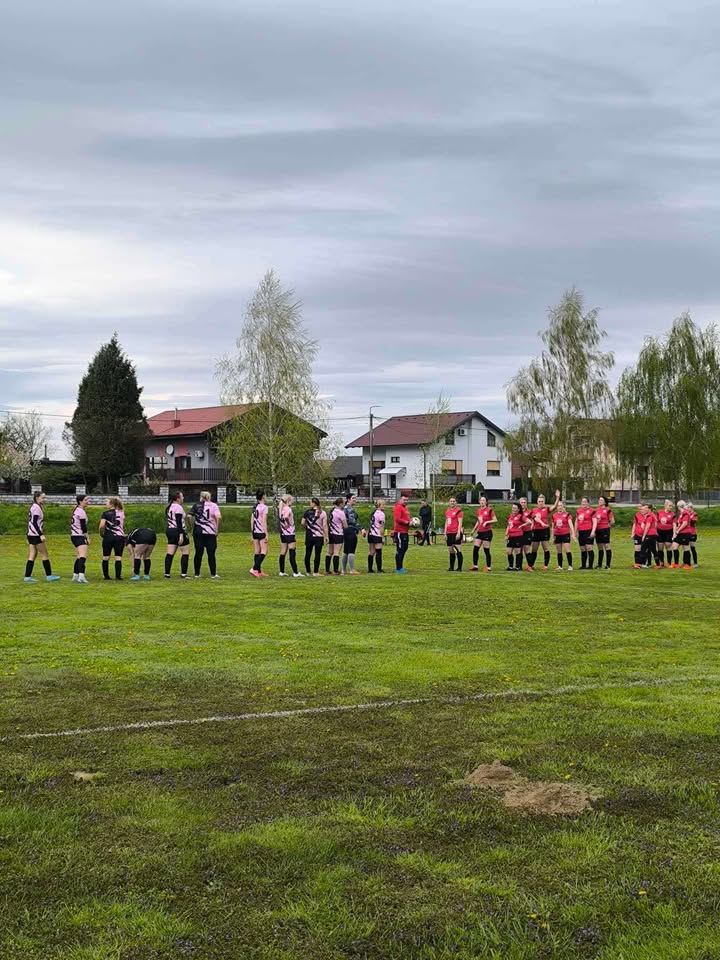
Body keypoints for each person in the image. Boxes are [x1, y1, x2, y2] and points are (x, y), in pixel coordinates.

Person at [23, 491, 61, 583]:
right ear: (37, 498)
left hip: (30, 534)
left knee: (32, 555)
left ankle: (27, 577)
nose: (44, 499)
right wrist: (41, 534)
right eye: (43, 498)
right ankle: (49, 576)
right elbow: (35, 522)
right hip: (35, 535)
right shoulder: (36, 508)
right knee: (44, 554)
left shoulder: (34, 506)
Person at [528, 490, 560, 571]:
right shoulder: (534, 510)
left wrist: (557, 497)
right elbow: (532, 519)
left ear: (544, 502)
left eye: (542, 501)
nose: (540, 503)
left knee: (546, 548)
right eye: (539, 501)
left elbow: (554, 506)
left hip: (544, 530)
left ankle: (545, 565)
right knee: (534, 549)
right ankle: (531, 565)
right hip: (536, 531)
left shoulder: (546, 509)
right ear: (537, 502)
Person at [193, 490, 222, 579]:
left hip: (198, 531)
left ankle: (197, 573)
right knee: (211, 553)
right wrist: (216, 528)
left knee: (198, 553)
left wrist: (192, 527)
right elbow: (218, 517)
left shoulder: (196, 505)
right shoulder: (214, 505)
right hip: (210, 532)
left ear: (201, 497)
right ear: (209, 497)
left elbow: (189, 516)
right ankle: (213, 573)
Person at [99, 496, 126, 581]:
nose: (105, 504)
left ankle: (106, 576)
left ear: (111, 504)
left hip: (108, 536)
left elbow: (102, 525)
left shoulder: (105, 513)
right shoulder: (121, 513)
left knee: (106, 557)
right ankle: (118, 576)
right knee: (118, 557)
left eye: (107, 502)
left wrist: (101, 533)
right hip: (119, 536)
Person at [165, 490, 190, 579]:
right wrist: (181, 534)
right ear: (178, 498)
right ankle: (183, 573)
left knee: (170, 552)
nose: (183, 498)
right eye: (182, 496)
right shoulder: (178, 507)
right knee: (185, 552)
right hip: (178, 530)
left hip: (170, 530)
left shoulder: (169, 507)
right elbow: (179, 521)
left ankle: (167, 573)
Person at [470, 495, 497, 571]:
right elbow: (478, 521)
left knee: (486, 550)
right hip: (480, 532)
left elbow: (495, 520)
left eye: (483, 500)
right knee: (475, 549)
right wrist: (473, 530)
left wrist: (487, 522)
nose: (482, 501)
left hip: (487, 532)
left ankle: (488, 567)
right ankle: (475, 566)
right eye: (481, 500)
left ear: (486, 502)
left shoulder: (489, 510)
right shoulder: (478, 510)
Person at [302, 498, 327, 576]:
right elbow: (324, 525)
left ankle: (308, 571)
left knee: (308, 553)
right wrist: (326, 536)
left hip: (309, 535)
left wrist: (308, 527)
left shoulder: (307, 512)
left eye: (310, 502)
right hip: (318, 536)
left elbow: (302, 522)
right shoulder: (322, 512)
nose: (309, 504)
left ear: (313, 503)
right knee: (317, 554)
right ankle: (316, 572)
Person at [278, 494, 302, 577]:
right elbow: (285, 517)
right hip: (290, 533)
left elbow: (281, 517)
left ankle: (281, 571)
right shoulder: (288, 509)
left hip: (283, 533)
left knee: (283, 551)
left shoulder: (281, 509)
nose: (293, 502)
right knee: (292, 551)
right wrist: (288, 524)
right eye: (292, 500)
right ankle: (295, 572)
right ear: (288, 501)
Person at [70, 493, 90, 583]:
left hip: (74, 535)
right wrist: (87, 537)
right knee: (83, 556)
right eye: (85, 500)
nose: (87, 502)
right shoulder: (81, 511)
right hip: (79, 535)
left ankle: (75, 575)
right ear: (80, 501)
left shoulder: (76, 510)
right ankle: (81, 576)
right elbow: (83, 526)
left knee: (79, 556)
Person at [342, 493, 363, 575]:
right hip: (351, 530)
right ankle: (352, 569)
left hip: (345, 530)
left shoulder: (344, 508)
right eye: (353, 498)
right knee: (351, 550)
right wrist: (361, 528)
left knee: (346, 550)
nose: (355, 499)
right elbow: (352, 521)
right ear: (348, 499)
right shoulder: (349, 508)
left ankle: (343, 570)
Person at [250, 489, 269, 578]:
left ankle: (258, 571)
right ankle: (254, 568)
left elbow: (252, 520)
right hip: (261, 531)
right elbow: (264, 520)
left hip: (255, 531)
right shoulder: (264, 507)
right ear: (263, 496)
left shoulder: (255, 506)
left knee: (257, 551)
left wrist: (252, 531)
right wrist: (266, 533)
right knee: (264, 551)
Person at [592, 495, 615, 569]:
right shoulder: (596, 510)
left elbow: (612, 521)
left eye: (601, 500)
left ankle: (608, 565)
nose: (599, 501)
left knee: (607, 546)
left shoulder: (608, 510)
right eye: (599, 500)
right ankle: (599, 564)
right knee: (600, 547)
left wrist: (608, 525)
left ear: (605, 502)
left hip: (605, 529)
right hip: (598, 530)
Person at [326, 497, 347, 575]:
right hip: (338, 533)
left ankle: (327, 569)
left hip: (330, 532)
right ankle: (335, 570)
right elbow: (345, 524)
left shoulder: (332, 511)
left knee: (329, 552)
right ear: (341, 504)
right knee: (336, 552)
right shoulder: (341, 512)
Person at [552, 500, 575, 570]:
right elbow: (553, 526)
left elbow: (570, 524)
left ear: (563, 507)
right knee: (559, 551)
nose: (560, 507)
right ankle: (560, 566)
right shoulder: (554, 515)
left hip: (565, 534)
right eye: (558, 506)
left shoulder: (567, 514)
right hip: (557, 534)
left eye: (561, 506)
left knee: (567, 550)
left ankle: (570, 566)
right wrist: (553, 535)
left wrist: (573, 533)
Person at [575, 496, 596, 569]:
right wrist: (575, 531)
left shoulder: (592, 511)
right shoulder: (578, 511)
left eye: (585, 502)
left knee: (589, 548)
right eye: (582, 502)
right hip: (581, 531)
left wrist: (593, 531)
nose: (584, 503)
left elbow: (594, 522)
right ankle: (583, 565)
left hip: (588, 531)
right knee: (582, 548)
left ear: (588, 503)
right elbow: (576, 522)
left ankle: (590, 566)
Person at [444, 496, 464, 571]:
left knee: (458, 550)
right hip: (449, 533)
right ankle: (451, 567)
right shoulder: (447, 511)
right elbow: (446, 522)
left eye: (454, 501)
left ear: (456, 502)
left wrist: (458, 533)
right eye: (451, 501)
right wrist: (445, 533)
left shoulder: (459, 511)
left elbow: (460, 523)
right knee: (450, 550)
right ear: (449, 502)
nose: (452, 502)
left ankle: (459, 567)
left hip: (455, 532)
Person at [392, 494, 411, 573]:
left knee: (404, 548)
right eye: (404, 500)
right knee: (400, 549)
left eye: (407, 500)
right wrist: (407, 522)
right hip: (400, 532)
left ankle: (400, 567)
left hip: (405, 531)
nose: (406, 501)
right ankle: (398, 568)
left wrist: (411, 522)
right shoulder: (398, 507)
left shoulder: (405, 508)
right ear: (400, 499)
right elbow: (397, 519)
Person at [505, 502, 526, 570]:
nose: (513, 509)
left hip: (518, 535)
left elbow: (529, 522)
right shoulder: (510, 516)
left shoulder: (521, 516)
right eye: (512, 508)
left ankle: (517, 566)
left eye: (515, 508)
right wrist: (506, 534)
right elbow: (508, 525)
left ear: (518, 509)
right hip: (510, 536)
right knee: (508, 551)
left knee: (517, 551)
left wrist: (521, 525)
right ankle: (510, 566)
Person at [675, 500, 695, 569]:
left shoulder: (685, 513)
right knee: (674, 546)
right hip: (680, 533)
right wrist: (677, 529)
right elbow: (680, 523)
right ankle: (676, 564)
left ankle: (688, 564)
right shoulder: (681, 513)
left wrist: (678, 530)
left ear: (679, 506)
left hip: (685, 533)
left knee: (686, 548)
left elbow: (685, 523)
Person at [367, 499, 386, 573]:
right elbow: (381, 527)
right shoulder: (381, 514)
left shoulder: (373, 513)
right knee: (378, 551)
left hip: (371, 534)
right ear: (379, 505)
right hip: (377, 534)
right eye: (383, 505)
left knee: (371, 552)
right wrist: (382, 537)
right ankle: (379, 569)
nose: (384, 506)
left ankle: (370, 569)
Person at [656, 500, 676, 568]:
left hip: (669, 532)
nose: (671, 507)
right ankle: (661, 562)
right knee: (660, 547)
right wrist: (655, 531)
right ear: (665, 505)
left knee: (668, 546)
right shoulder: (659, 512)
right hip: (660, 532)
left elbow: (674, 525)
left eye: (672, 506)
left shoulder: (673, 514)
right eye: (670, 505)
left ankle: (669, 563)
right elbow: (656, 522)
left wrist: (674, 534)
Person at [517, 496, 535, 569]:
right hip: (518, 533)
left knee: (527, 549)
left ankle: (530, 566)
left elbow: (533, 520)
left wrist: (532, 527)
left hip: (527, 532)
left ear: (526, 503)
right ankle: (519, 566)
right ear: (519, 503)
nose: (523, 504)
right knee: (519, 549)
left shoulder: (529, 512)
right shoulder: (517, 512)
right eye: (522, 502)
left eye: (524, 502)